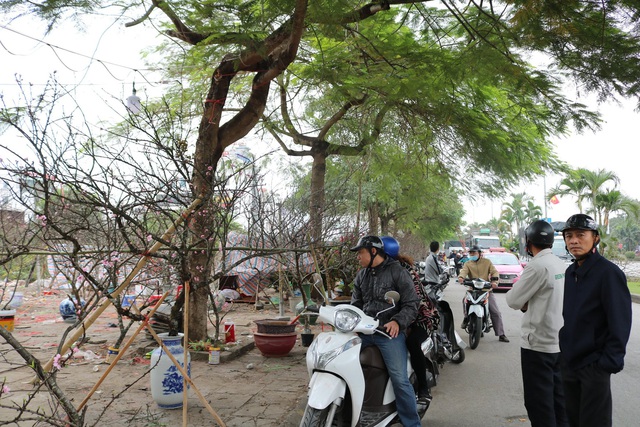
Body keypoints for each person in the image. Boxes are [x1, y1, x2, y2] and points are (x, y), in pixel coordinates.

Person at [559, 214, 632, 427]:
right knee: (572, 420)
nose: (574, 240)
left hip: (593, 365)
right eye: (569, 236)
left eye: (581, 235)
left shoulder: (608, 273)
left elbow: (620, 321)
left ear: (595, 238)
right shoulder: (571, 272)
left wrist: (608, 362)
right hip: (570, 362)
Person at [350, 235, 422, 427]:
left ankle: (412, 423)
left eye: (361, 253)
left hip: (387, 333)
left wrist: (397, 322)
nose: (358, 257)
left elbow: (411, 303)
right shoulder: (361, 275)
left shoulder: (397, 272)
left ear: (374, 252)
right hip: (364, 332)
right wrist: (352, 322)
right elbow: (355, 304)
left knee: (399, 379)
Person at [505, 220, 569, 427]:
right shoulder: (561, 264)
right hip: (559, 342)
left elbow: (513, 300)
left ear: (528, 242)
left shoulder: (536, 266)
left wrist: (526, 302)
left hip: (538, 345)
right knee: (559, 401)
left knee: (539, 404)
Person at [381, 236, 437, 407]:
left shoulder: (404, 271)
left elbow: (415, 302)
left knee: (412, 343)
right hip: (390, 318)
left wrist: (400, 322)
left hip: (419, 317)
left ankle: (423, 389)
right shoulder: (372, 272)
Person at [457, 245, 509, 342]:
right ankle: (466, 318)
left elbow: (494, 272)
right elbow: (463, 272)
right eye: (471, 253)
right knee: (464, 301)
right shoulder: (468, 263)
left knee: (495, 311)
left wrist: (494, 282)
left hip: (486, 290)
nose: (472, 255)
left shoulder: (487, 262)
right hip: (473, 290)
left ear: (480, 254)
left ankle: (501, 334)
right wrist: (461, 278)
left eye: (474, 253)